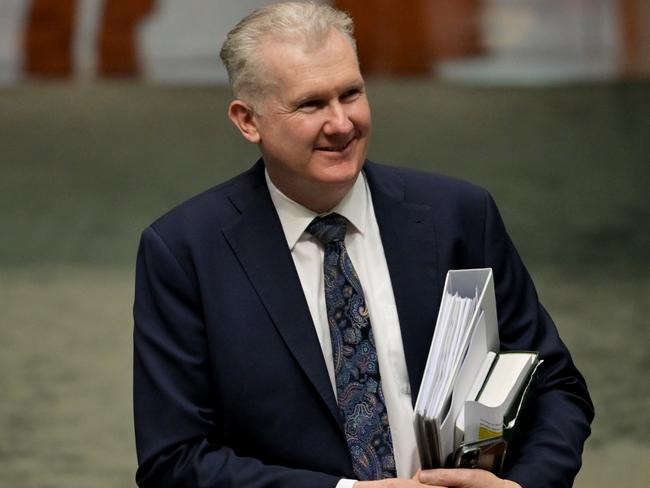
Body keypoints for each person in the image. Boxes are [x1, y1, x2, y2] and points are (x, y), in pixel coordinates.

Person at [133, 3, 593, 487]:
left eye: (350, 93)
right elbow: (174, 461)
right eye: (311, 104)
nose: (341, 123)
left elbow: (556, 388)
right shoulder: (185, 253)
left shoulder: (458, 216)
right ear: (249, 121)